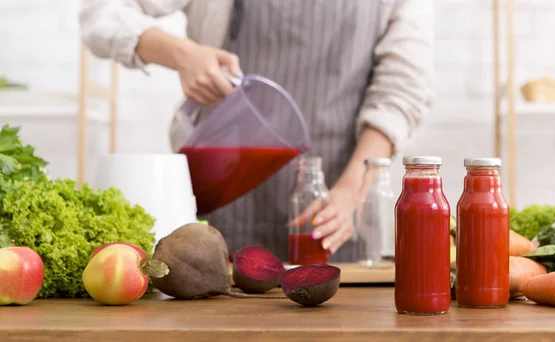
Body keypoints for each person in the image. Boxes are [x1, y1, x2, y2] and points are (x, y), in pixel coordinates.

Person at [80, 0, 434, 263]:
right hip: (221, 206)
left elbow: (402, 88)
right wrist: (181, 54)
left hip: (337, 209)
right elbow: (102, 11)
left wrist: (352, 190)